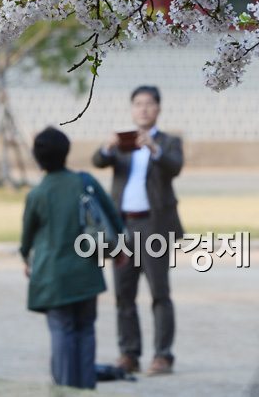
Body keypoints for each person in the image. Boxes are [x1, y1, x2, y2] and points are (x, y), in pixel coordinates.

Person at [20, 126, 125, 390]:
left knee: (61, 331)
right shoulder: (84, 182)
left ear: (37, 157)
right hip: (86, 272)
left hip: (53, 277)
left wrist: (26, 260)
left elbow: (26, 239)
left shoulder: (37, 194)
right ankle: (86, 389)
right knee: (86, 330)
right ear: (66, 152)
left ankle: (65, 390)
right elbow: (112, 215)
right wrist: (120, 250)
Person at [92, 85, 184, 376]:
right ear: (132, 109)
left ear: (158, 109)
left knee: (159, 293)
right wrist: (107, 147)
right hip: (122, 227)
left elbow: (175, 167)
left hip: (154, 227)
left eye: (148, 104)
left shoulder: (168, 142)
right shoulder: (124, 142)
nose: (143, 109)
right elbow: (98, 161)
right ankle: (129, 354)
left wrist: (154, 149)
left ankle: (163, 356)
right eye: (137, 104)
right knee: (124, 294)